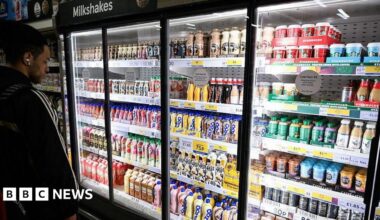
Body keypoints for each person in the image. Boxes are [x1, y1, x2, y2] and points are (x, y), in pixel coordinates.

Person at [0, 21, 78, 220]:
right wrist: (69, 209)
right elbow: (54, 161)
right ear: (28, 58)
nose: (46, 69)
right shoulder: (31, 100)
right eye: (44, 62)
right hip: (36, 206)